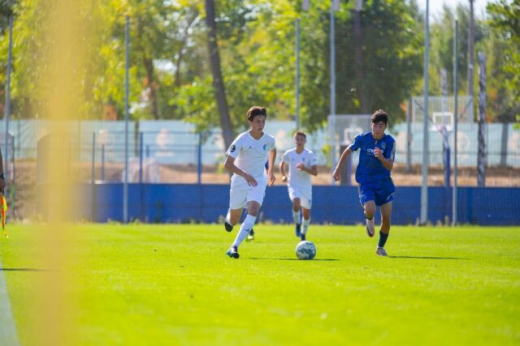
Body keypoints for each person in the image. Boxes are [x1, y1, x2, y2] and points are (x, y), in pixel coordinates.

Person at [332, 109, 396, 257]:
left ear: (385, 127)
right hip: (366, 181)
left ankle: (380, 247)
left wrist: (381, 158)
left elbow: (390, 165)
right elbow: (348, 151)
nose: (377, 129)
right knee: (371, 209)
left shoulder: (390, 142)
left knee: (386, 218)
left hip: (384, 183)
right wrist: (337, 169)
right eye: (375, 125)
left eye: (381, 126)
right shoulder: (362, 138)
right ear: (371, 125)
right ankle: (369, 219)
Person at [223, 106, 276, 259]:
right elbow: (228, 164)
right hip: (240, 180)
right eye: (258, 121)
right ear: (250, 122)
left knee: (253, 210)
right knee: (233, 220)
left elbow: (273, 150)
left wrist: (270, 170)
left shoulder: (269, 139)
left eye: (263, 121)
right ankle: (229, 218)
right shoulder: (242, 139)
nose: (261, 124)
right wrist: (245, 175)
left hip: (258, 180)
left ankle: (234, 246)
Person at [279, 131, 317, 241]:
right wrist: (283, 175)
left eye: (301, 139)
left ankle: (303, 234)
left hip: (306, 187)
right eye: (297, 139)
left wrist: (304, 168)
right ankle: (297, 224)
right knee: (296, 202)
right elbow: (282, 164)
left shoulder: (309, 154)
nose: (299, 141)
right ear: (294, 141)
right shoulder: (289, 153)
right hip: (293, 184)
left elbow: (315, 172)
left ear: (305, 141)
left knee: (306, 213)